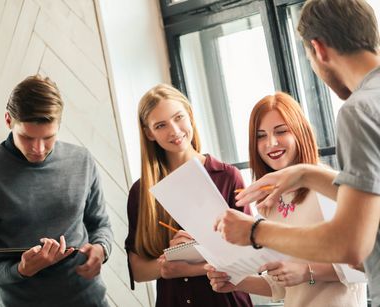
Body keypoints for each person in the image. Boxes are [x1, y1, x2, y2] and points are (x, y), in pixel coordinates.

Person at [213, 0, 380, 305]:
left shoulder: (360, 111)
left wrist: (255, 231)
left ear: (318, 50)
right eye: (262, 136)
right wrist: (305, 174)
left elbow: (352, 244)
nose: (272, 143)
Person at [207, 92, 366, 307]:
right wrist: (236, 283)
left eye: (281, 131)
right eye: (260, 136)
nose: (271, 143)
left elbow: (363, 266)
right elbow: (281, 286)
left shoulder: (325, 186)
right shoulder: (269, 202)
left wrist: (306, 272)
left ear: (300, 133)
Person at [0, 75, 113, 307]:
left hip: (91, 300)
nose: (38, 149)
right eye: (27, 137)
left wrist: (102, 248)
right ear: (8, 120)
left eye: (48, 138)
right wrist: (21, 269)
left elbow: (100, 224)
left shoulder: (81, 159)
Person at [124, 84, 252, 307]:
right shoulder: (141, 192)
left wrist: (192, 261)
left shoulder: (228, 177)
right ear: (149, 133)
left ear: (190, 115)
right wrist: (169, 261)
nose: (174, 130)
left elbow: (250, 257)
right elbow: (138, 270)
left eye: (178, 117)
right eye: (161, 125)